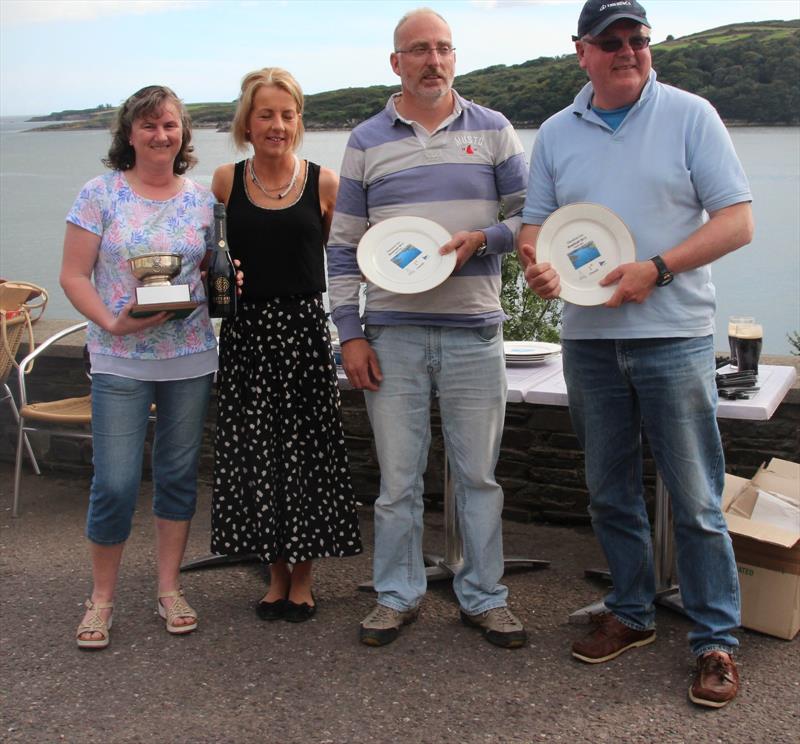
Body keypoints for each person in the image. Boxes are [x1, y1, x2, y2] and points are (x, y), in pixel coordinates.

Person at [518, 0, 753, 707]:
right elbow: (537, 229)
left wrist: (660, 267)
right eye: (611, 40)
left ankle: (716, 641)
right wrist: (535, 266)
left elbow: (737, 221)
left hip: (674, 335)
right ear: (581, 50)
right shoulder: (558, 132)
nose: (627, 50)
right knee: (608, 491)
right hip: (589, 343)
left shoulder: (691, 114)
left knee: (698, 500)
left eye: (638, 39)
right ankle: (632, 611)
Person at [328, 8, 529, 648]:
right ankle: (396, 595)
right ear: (397, 63)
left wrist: (487, 238)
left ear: (454, 57)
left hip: (474, 331)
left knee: (478, 478)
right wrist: (350, 334)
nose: (433, 61)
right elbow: (343, 248)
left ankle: (483, 596)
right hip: (392, 335)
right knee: (397, 482)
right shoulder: (365, 141)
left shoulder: (494, 130)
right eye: (419, 50)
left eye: (443, 49)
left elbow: (534, 218)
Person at [62, 85, 220, 648]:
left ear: (183, 135)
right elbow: (73, 276)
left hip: (191, 356)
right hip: (120, 358)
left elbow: (210, 275)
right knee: (116, 482)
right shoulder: (98, 194)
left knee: (177, 477)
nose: (161, 135)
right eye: (149, 125)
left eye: (170, 125)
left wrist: (231, 284)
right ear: (129, 133)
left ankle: (169, 588)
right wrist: (112, 322)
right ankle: (100, 599)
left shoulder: (203, 202)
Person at [209, 67, 362, 623]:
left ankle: (304, 577)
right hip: (247, 336)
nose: (277, 124)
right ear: (247, 122)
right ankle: (274, 575)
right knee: (258, 454)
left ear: (299, 121)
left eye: (287, 114)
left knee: (308, 455)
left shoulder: (324, 182)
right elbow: (214, 261)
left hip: (302, 332)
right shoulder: (225, 180)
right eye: (266, 114)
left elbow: (342, 259)